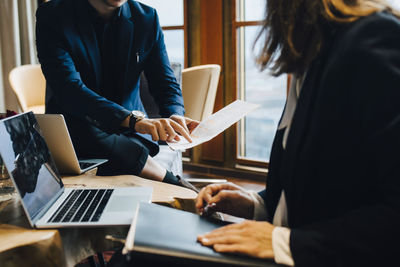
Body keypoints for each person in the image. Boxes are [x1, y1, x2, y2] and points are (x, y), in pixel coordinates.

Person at [196, 0, 400, 266]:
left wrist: (287, 243)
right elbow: (331, 183)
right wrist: (257, 204)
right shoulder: (313, 56)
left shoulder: (374, 37)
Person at [35, 0, 198, 190]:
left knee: (112, 145)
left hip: (131, 134)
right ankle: (172, 182)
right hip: (80, 126)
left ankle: (156, 174)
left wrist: (174, 114)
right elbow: (69, 89)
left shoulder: (146, 17)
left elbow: (165, 81)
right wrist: (133, 120)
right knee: (83, 127)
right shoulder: (53, 15)